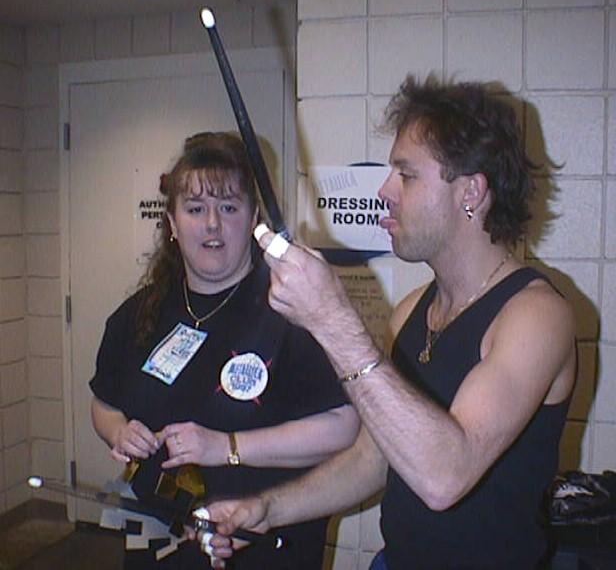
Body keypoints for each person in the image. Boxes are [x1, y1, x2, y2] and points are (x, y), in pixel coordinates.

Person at [205, 76, 577, 569]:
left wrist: (331, 319)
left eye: (407, 175)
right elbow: (372, 459)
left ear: (471, 191)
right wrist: (267, 509)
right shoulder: (411, 311)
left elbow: (445, 477)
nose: (385, 191)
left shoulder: (536, 315)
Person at [89, 131, 359, 569]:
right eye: (195, 209)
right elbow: (104, 404)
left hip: (261, 546)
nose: (212, 224)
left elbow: (343, 427)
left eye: (229, 208)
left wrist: (227, 446)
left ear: (253, 219)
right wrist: (119, 431)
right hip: (159, 544)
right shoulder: (139, 314)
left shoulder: (293, 310)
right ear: (173, 224)